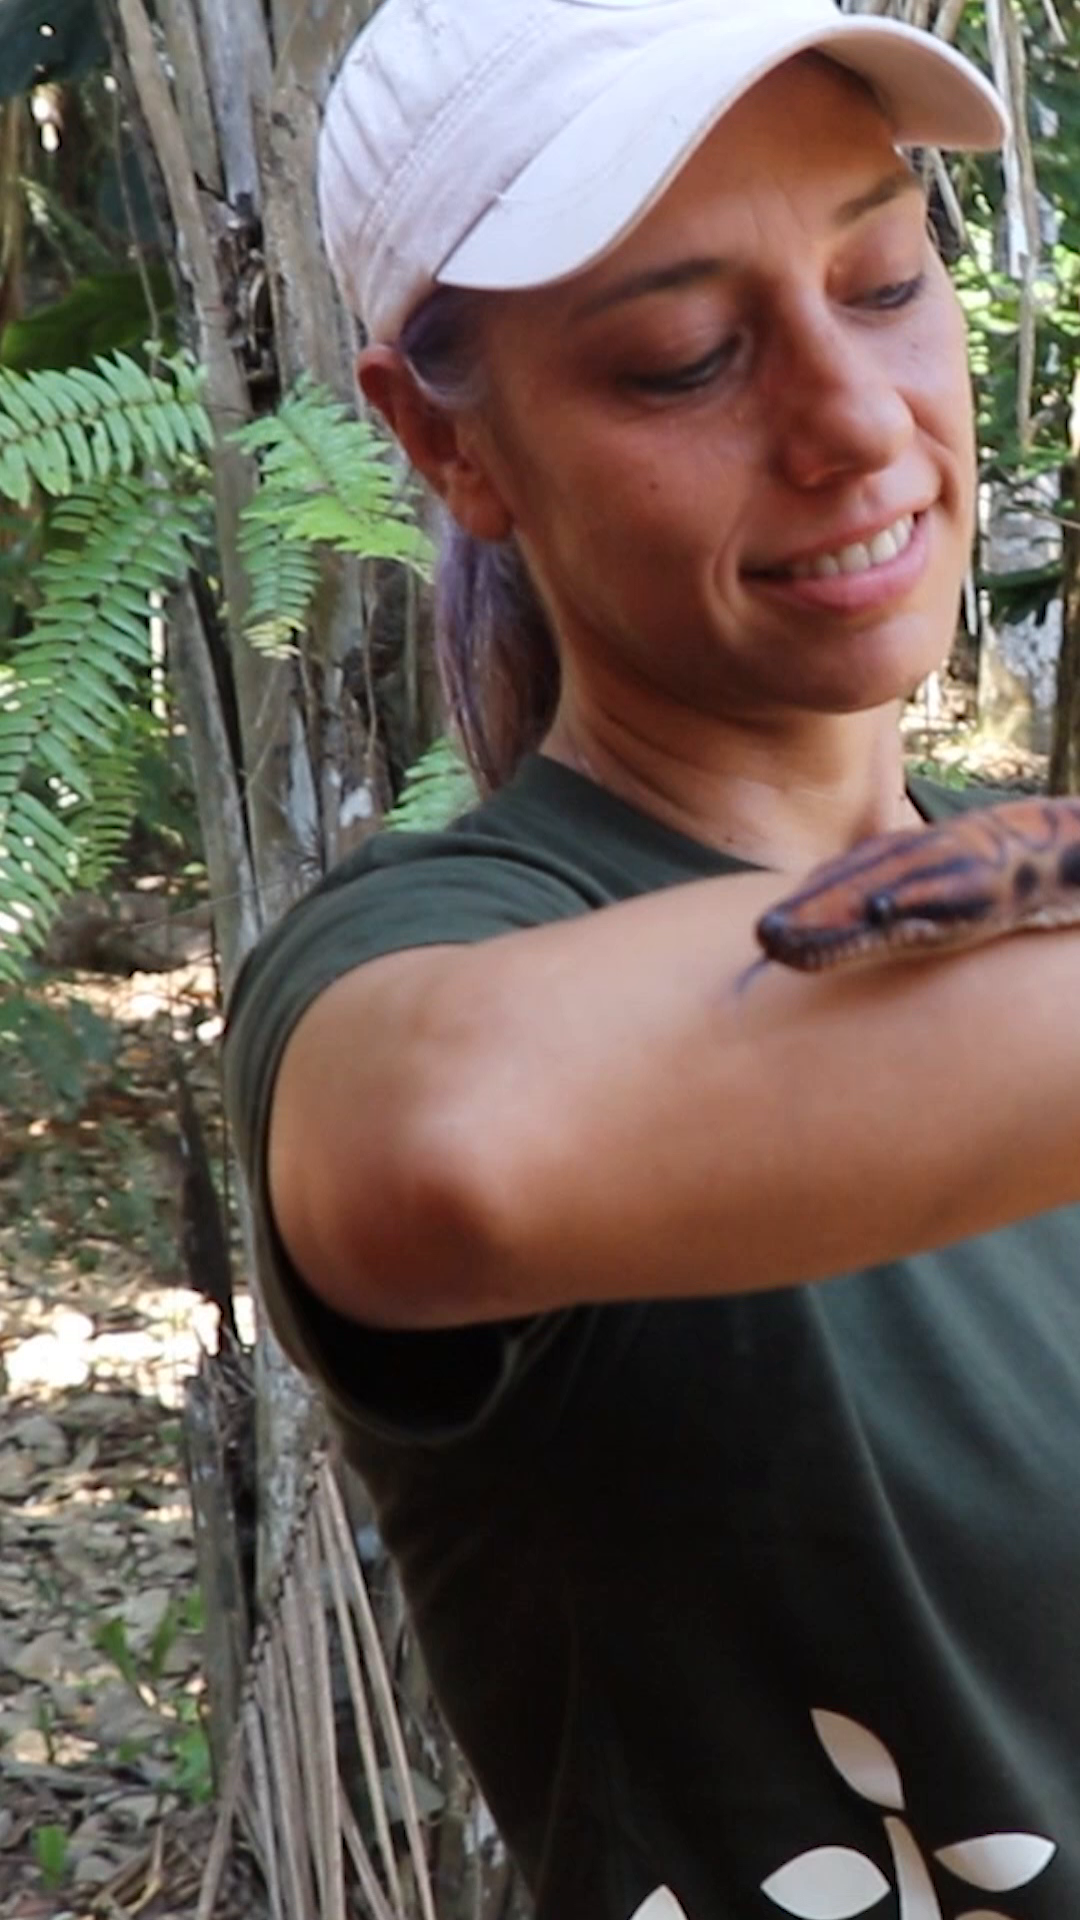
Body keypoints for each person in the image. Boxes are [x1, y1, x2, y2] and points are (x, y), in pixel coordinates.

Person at [223, 2, 1080, 1914]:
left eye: (883, 275)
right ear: (447, 441)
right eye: (685, 358)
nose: (856, 420)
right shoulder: (429, 961)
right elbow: (451, 1135)